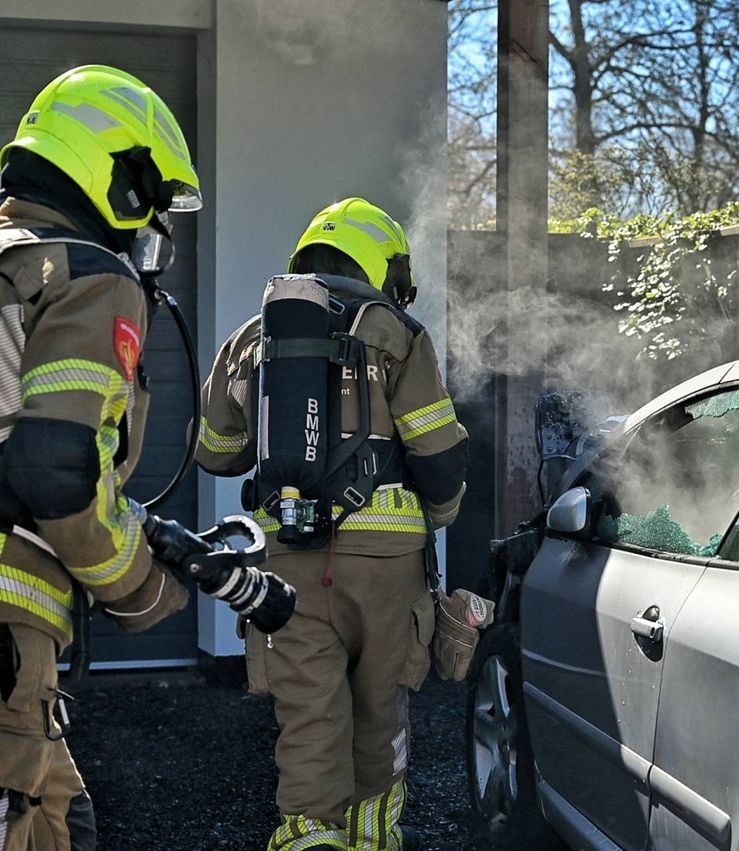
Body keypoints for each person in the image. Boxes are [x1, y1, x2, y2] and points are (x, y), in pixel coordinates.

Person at [197, 198, 468, 851]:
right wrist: (436, 519)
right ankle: (373, 838)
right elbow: (438, 456)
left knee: (310, 718)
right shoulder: (399, 335)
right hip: (387, 573)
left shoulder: (252, 337)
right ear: (380, 264)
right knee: (380, 714)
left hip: (287, 563)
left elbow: (213, 448)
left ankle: (309, 833)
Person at [0, 66, 203, 849]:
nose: (150, 228)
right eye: (148, 201)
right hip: (8, 627)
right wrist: (145, 592)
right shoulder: (84, 273)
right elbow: (55, 468)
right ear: (117, 177)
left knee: (65, 818)